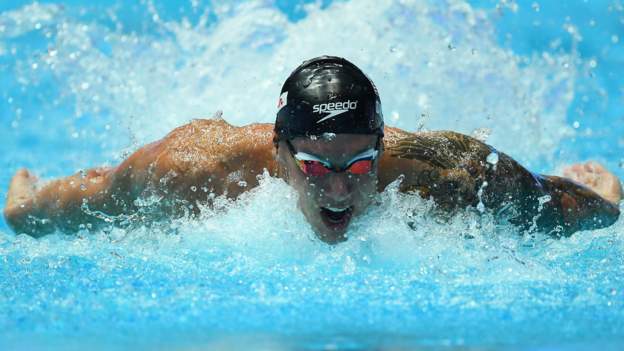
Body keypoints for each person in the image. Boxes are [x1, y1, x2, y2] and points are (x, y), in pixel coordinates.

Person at [3, 56, 622, 244]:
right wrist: (28, 207)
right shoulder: (194, 167)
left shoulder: (442, 170)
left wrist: (602, 197)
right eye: (314, 166)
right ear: (278, 152)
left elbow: (547, 205)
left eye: (359, 164)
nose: (337, 189)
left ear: (383, 147)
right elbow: (100, 191)